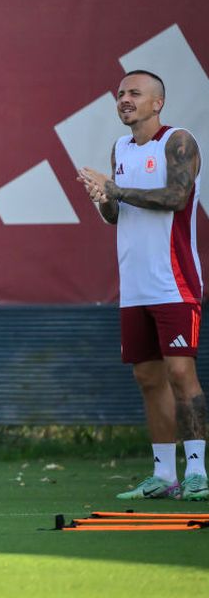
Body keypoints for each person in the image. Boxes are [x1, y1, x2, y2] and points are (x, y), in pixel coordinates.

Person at [78, 70, 207, 501]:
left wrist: (115, 188)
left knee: (179, 373)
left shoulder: (179, 140)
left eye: (134, 93)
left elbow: (176, 198)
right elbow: (119, 215)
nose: (124, 100)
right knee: (147, 377)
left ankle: (197, 473)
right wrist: (104, 201)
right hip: (134, 284)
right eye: (119, 94)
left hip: (173, 280)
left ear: (157, 103)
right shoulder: (120, 148)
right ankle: (164, 475)